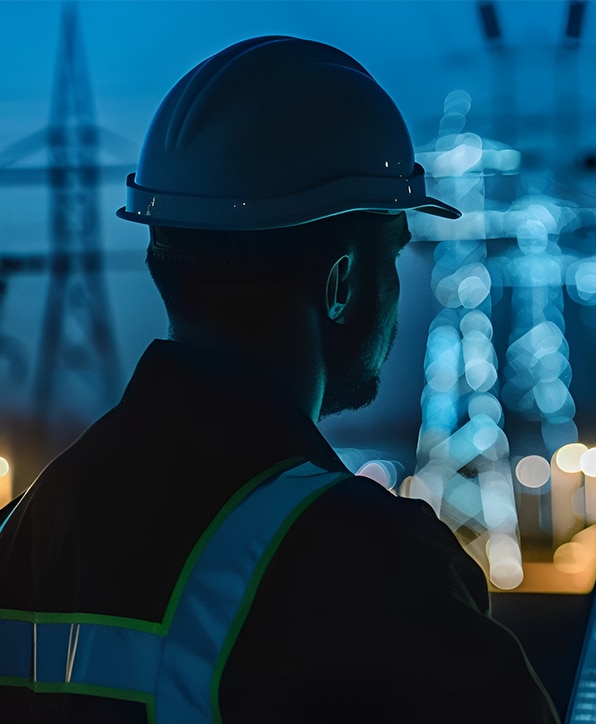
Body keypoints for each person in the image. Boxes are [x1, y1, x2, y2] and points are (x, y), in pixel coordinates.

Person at [0, 36, 559, 723]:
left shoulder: (26, 528)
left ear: (161, 258)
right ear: (343, 282)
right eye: (394, 259)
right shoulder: (362, 558)